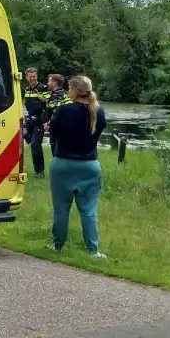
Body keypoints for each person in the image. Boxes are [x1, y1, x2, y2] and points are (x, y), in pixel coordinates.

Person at [47, 74, 107, 258]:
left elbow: (54, 133)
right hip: (89, 165)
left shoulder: (64, 110)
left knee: (61, 209)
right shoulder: (98, 111)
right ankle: (93, 250)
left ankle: (58, 246)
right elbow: (97, 134)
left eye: (69, 89)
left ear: (73, 91)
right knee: (89, 210)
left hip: (63, 164)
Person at [22, 67, 48, 177]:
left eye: (34, 76)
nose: (33, 78)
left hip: (40, 120)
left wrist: (43, 98)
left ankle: (40, 171)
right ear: (27, 77)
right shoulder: (27, 89)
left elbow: (51, 102)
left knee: (36, 146)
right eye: (30, 76)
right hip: (29, 119)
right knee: (24, 136)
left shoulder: (43, 88)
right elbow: (25, 103)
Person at [42, 73, 71, 156]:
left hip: (58, 129)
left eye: (49, 81)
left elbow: (57, 113)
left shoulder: (56, 96)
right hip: (67, 128)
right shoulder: (65, 94)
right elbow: (48, 112)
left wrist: (48, 124)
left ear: (54, 83)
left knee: (56, 153)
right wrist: (45, 121)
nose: (47, 83)